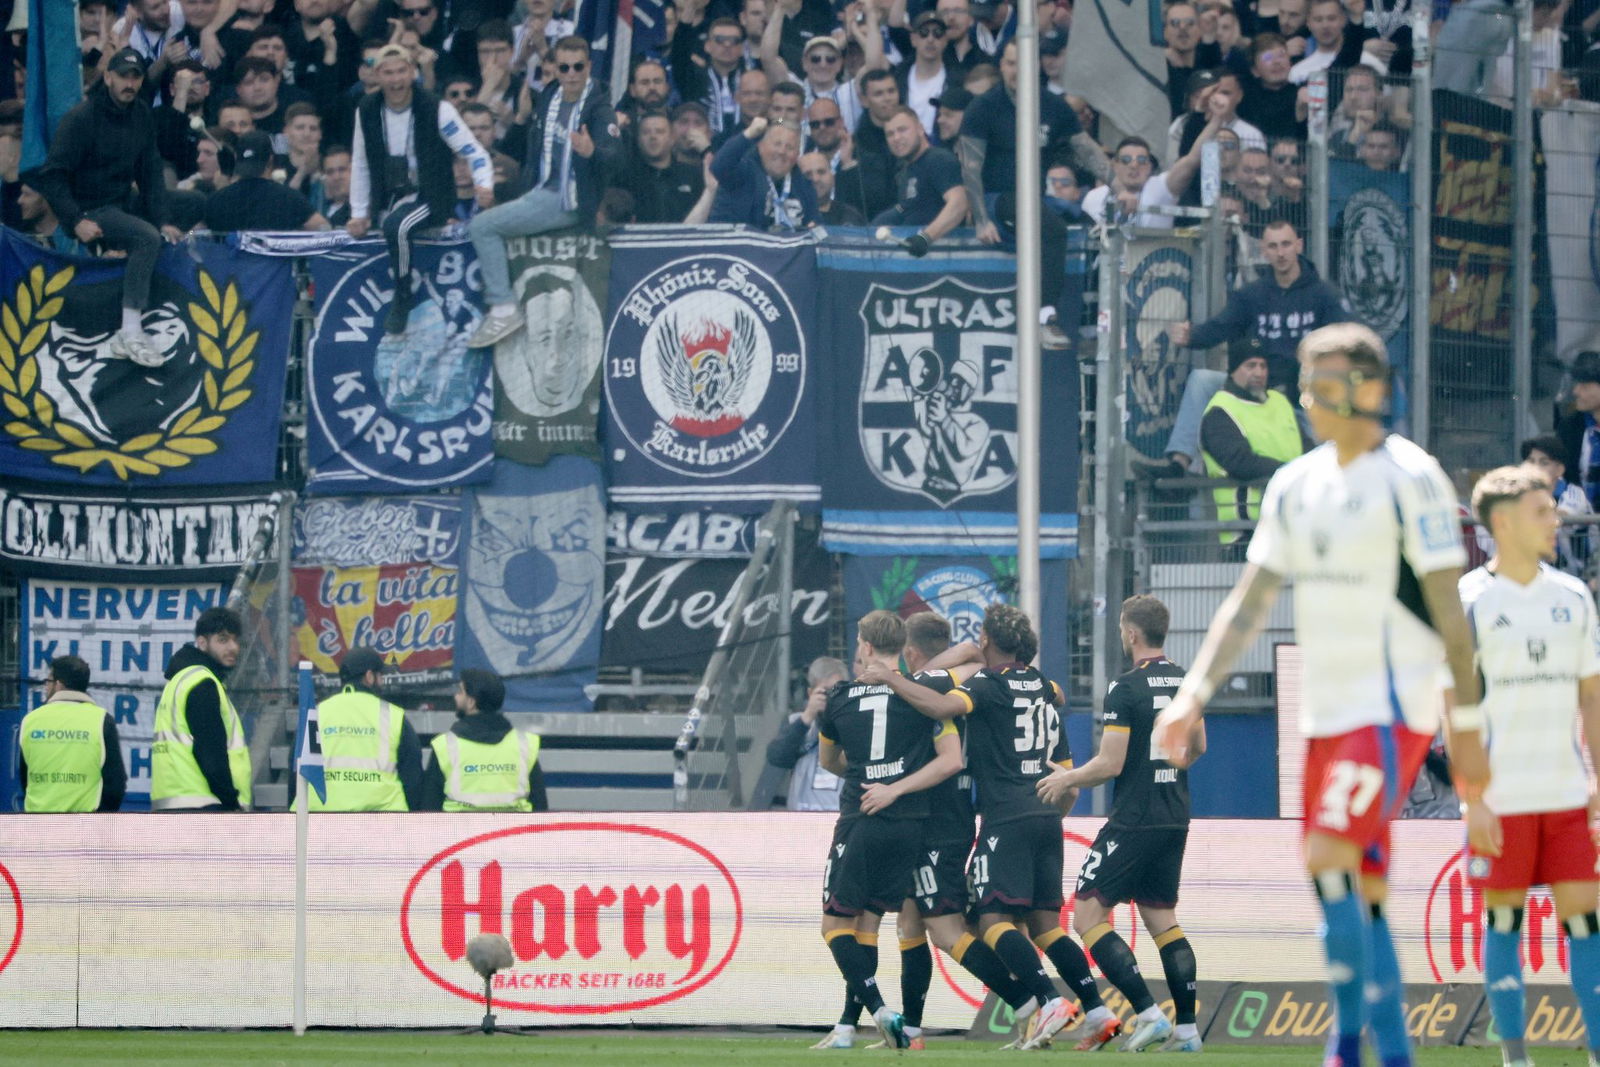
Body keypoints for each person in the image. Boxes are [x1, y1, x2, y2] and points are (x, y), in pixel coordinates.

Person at [1154, 323, 1483, 1067]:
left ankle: (1343, 1046)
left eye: (1325, 382)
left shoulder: (1412, 477)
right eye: (1306, 384)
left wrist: (1465, 733)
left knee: (1332, 855)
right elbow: (1248, 600)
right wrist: (1192, 694)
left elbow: (1449, 618)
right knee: (1353, 887)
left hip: (1394, 706)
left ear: (1371, 389)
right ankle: (1393, 1052)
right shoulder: (1296, 484)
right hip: (1327, 715)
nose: (1310, 398)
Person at [861, 604, 1088, 1052]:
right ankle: (912, 1032)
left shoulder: (937, 682)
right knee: (911, 922)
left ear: (908, 651)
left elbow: (937, 692)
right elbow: (1055, 693)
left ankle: (1030, 1001)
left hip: (942, 818)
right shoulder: (981, 677)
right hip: (948, 816)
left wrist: (900, 674)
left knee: (949, 928)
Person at [1456, 465, 1600, 1067]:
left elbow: (1592, 697)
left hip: (1567, 796)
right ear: (1504, 523)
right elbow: (1456, 710)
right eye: (1543, 510)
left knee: (1587, 925)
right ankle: (1517, 1059)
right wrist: (1474, 799)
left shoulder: (1574, 595)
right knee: (1505, 923)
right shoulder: (1469, 600)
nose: (1556, 519)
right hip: (1501, 800)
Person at [1037, 595, 1205, 1052]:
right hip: (1175, 816)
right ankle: (1188, 1032)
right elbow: (1199, 747)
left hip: (1135, 819)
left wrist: (1068, 777)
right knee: (1162, 919)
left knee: (1088, 912)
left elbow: (1111, 763)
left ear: (1131, 633)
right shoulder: (1187, 680)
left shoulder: (1125, 688)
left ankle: (1149, 1013)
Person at [814, 611, 964, 1052]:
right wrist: (897, 785)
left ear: (863, 645)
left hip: (861, 817)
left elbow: (829, 761)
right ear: (902, 647)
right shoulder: (924, 697)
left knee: (834, 925)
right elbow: (948, 757)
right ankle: (845, 1027)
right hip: (910, 824)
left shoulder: (839, 698)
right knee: (869, 924)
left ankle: (880, 1012)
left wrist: (866, 772)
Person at [31, 48, 182, 367]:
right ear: (109, 77)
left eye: (136, 76)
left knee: (189, 205)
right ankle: (130, 330)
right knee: (146, 238)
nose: (130, 82)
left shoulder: (141, 115)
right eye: (124, 76)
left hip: (120, 201)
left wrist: (165, 219)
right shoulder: (81, 118)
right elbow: (53, 176)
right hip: (90, 206)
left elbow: (151, 173)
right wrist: (75, 220)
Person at [465, 36, 618, 349]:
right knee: (491, 214)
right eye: (564, 67)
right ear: (556, 70)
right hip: (540, 190)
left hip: (569, 199)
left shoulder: (600, 107)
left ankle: (503, 307)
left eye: (578, 66)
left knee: (483, 226)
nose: (572, 73)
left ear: (589, 66)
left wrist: (592, 151)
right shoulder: (549, 97)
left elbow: (617, 155)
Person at [960, 39, 1106, 347]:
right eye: (1011, 63)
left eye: (1023, 63)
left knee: (1068, 217)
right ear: (1002, 66)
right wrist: (981, 219)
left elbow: (1086, 149)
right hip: (996, 199)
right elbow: (970, 167)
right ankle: (1044, 315)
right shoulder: (984, 106)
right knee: (1050, 226)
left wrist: (1120, 186)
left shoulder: (1052, 106)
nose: (1017, 70)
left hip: (1034, 202)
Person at [347, 44, 493, 337]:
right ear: (377, 75)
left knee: (396, 227)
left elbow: (474, 152)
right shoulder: (366, 109)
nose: (396, 80)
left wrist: (484, 184)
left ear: (412, 72)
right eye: (388, 73)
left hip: (431, 196)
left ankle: (402, 297)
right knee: (388, 223)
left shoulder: (438, 108)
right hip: (389, 195)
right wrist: (359, 212)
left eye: (402, 71)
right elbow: (361, 163)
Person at [1167, 218, 1349, 393]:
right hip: (1256, 389)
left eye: (1286, 244)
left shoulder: (1324, 295)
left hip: (1304, 394)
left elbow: (1348, 337)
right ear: (1263, 251)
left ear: (1299, 246)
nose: (1280, 253)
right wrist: (1190, 335)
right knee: (1201, 381)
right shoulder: (1251, 295)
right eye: (1273, 246)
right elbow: (1221, 326)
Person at [1201, 337, 1314, 539]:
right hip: (1247, 531)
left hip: (1293, 525)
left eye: (1263, 366)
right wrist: (1292, 473)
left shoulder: (1279, 402)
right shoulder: (1220, 411)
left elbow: (1307, 448)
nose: (1259, 372)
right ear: (1234, 370)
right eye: (1250, 365)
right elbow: (1240, 462)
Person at [152, 606, 253, 812]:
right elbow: (209, 751)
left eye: (236, 640)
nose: (233, 647)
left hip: (172, 802)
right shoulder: (203, 683)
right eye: (223, 639)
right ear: (202, 643)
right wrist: (230, 801)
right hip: (204, 805)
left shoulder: (180, 680)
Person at [301, 647, 423, 812]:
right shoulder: (392, 716)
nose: (382, 681)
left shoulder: (317, 712)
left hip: (320, 817)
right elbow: (413, 777)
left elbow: (297, 767)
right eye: (380, 676)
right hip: (382, 820)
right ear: (369, 676)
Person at [422, 668, 548, 812]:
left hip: (459, 832)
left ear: (470, 702)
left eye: (460, 692)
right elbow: (540, 805)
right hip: (512, 832)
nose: (456, 697)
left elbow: (429, 807)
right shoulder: (524, 744)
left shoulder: (445, 746)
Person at [19, 655, 126, 813]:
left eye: (48, 681)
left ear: (59, 684)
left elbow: (25, 778)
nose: (45, 687)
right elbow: (116, 783)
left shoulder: (31, 720)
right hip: (85, 827)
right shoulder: (102, 720)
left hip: (37, 825)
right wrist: (101, 820)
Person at [872, 107, 967, 256]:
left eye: (902, 130)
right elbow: (908, 209)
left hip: (944, 257)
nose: (896, 138)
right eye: (890, 134)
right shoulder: (905, 172)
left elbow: (959, 203)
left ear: (920, 129)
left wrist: (925, 237)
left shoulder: (938, 159)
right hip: (920, 261)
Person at [762, 656, 849, 812]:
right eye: (826, 692)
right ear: (811, 693)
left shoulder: (855, 724)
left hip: (841, 818)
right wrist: (808, 716)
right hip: (803, 821)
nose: (831, 698)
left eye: (837, 691)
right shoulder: (799, 724)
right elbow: (776, 757)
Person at [708, 115, 820, 228]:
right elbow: (718, 166)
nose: (782, 151)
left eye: (790, 147)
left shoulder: (804, 186)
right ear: (760, 145)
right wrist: (748, 134)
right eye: (777, 144)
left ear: (797, 155)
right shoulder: (743, 171)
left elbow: (816, 226)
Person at [204, 130, 328, 231]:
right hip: (276, 261)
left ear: (237, 159)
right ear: (270, 160)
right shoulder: (288, 197)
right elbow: (323, 228)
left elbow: (195, 233)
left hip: (229, 261)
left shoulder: (216, 199)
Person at [1521, 433, 1594, 576]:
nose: (1535, 467)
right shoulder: (1519, 495)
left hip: (1577, 575)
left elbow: (1561, 515)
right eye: (1530, 461)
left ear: (1560, 469)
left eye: (1544, 462)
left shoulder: (1573, 493)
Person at [620, 110, 705, 223]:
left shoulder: (693, 176)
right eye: (646, 132)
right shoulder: (625, 178)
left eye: (659, 132)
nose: (653, 136)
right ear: (638, 140)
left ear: (672, 138)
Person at [1238, 34, 1308, 141]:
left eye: (1281, 55)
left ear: (1290, 62)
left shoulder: (1301, 94)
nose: (1276, 62)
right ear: (1255, 70)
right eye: (1268, 57)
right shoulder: (1246, 97)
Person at [1557, 351, 1600, 512]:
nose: (1576, 391)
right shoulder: (1570, 427)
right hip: (1580, 529)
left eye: (1585, 386)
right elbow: (1562, 475)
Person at [800, 150, 865, 225]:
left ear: (832, 178)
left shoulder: (851, 217)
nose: (815, 179)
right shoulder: (788, 217)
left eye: (821, 172)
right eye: (808, 174)